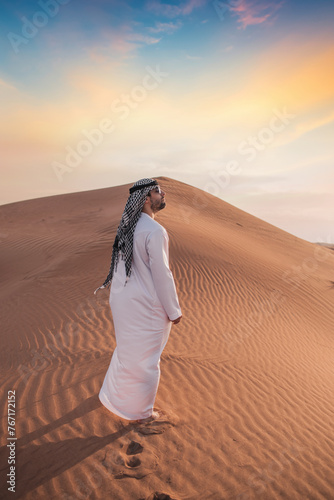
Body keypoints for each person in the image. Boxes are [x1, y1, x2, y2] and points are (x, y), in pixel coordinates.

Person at [94, 178, 182, 422]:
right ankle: (140, 413)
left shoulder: (127, 228)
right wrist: (173, 311)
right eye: (158, 191)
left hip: (122, 303)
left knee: (127, 353)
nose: (163, 194)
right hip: (147, 306)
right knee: (146, 362)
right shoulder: (154, 231)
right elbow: (162, 274)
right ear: (145, 198)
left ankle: (111, 398)